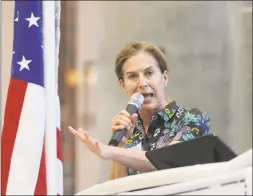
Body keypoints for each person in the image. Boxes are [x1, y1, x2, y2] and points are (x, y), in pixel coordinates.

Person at [68, 41, 211, 180]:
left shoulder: (192, 119)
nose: (142, 83)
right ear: (123, 85)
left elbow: (166, 160)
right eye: (132, 76)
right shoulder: (129, 129)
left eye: (149, 73)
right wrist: (122, 145)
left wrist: (110, 151)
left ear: (165, 78)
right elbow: (117, 188)